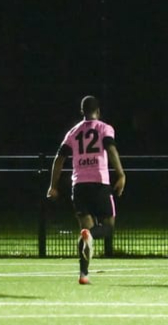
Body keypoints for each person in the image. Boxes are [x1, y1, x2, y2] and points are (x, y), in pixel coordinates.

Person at [46, 96, 126, 284]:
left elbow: (59, 158)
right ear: (98, 111)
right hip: (99, 182)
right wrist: (121, 174)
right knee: (108, 227)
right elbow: (111, 148)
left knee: (84, 229)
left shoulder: (73, 132)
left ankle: (83, 274)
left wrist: (53, 185)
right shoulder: (104, 128)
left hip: (79, 185)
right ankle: (91, 234)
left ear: (82, 112)